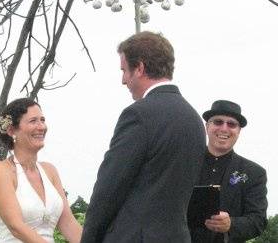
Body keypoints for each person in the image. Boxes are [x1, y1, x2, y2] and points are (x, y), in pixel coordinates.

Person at [81, 31, 207, 243]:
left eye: (124, 70)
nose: (123, 80)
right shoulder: (194, 120)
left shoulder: (138, 115)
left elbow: (109, 188)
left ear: (139, 68)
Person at [0, 98, 82, 243]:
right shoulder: (0, 170)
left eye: (42, 120)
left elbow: (68, 223)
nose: (41, 126)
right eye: (33, 121)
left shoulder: (50, 171)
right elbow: (16, 226)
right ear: (12, 130)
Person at [187, 100, 268, 243]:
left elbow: (258, 221)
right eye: (218, 122)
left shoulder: (254, 173)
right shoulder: (183, 164)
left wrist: (231, 224)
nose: (224, 128)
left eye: (231, 124)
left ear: (238, 131)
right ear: (207, 127)